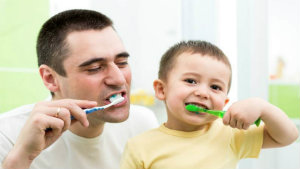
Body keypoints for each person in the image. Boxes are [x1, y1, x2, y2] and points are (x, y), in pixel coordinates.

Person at [0, 9, 158, 169]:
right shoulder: (6, 137)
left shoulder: (142, 124)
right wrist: (23, 156)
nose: (119, 79)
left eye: (122, 62)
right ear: (50, 78)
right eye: (95, 68)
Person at [120, 40, 299, 169]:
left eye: (215, 87)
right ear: (161, 90)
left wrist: (264, 108)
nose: (203, 93)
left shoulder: (230, 134)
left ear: (225, 103)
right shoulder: (139, 147)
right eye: (191, 81)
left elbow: (288, 136)